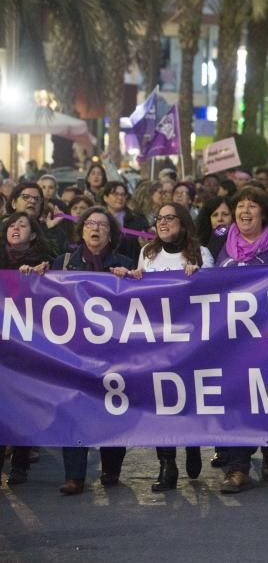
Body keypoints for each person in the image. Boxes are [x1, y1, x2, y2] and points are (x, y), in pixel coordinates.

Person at [210, 186, 268, 493]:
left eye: (252, 206)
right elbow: (203, 278)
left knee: (265, 396)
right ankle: (238, 468)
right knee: (236, 398)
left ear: (263, 212)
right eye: (240, 206)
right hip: (230, 339)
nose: (244, 211)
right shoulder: (220, 239)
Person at [42, 207, 135, 495]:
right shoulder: (63, 262)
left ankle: (111, 466)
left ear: (111, 233)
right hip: (74, 353)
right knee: (73, 409)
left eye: (102, 225)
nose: (95, 228)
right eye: (90, 223)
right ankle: (75, 476)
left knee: (113, 409)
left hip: (112, 354)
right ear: (81, 230)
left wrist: (131, 278)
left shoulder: (123, 263)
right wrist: (33, 276)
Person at [124, 204, 213, 492]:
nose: (162, 223)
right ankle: (166, 465)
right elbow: (141, 294)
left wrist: (198, 276)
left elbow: (218, 294)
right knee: (162, 402)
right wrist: (135, 277)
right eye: (158, 218)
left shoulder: (201, 254)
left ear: (183, 224)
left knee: (188, 399)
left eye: (169, 218)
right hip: (157, 342)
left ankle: (192, 444)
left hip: (191, 343)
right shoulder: (148, 254)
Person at [0, 212, 52, 486]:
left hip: (26, 348)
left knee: (20, 406)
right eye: (11, 224)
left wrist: (39, 278)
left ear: (33, 235)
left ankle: (20, 463)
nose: (15, 228)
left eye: (22, 225)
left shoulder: (43, 265)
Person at [102, 181, 149, 262]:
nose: (120, 198)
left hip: (131, 264)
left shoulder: (138, 220)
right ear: (105, 197)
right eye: (115, 194)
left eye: (123, 194)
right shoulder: (98, 219)